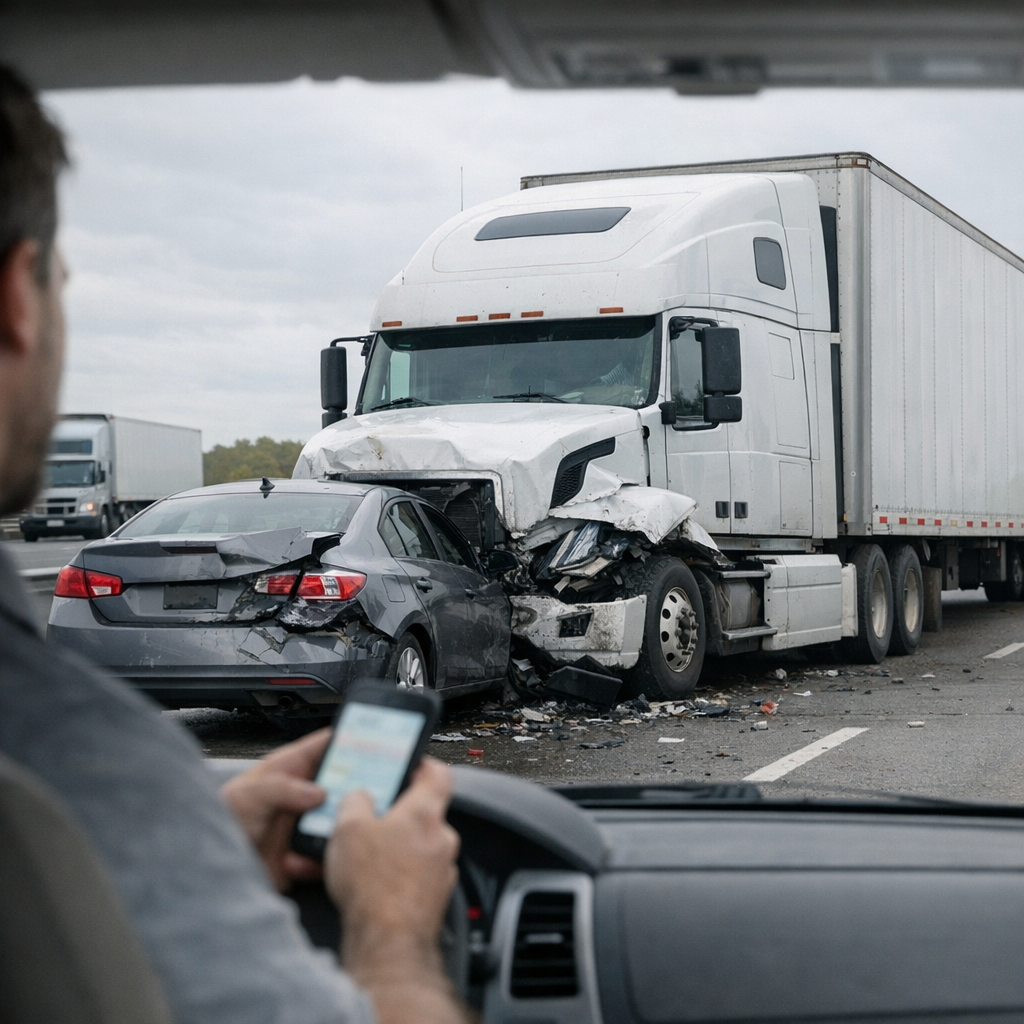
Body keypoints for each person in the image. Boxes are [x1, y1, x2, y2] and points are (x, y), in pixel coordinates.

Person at [0, 64, 468, 1024]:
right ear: (18, 296)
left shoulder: (91, 760)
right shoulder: (76, 760)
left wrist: (179, 837)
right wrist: (389, 928)